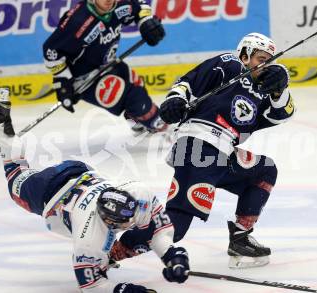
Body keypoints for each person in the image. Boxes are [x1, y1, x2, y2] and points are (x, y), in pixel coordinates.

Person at [113, 33, 295, 269]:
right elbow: (188, 82)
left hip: (222, 152)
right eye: (261, 58)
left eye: (270, 61)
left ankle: (240, 238)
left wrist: (280, 88)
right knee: (174, 227)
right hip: (198, 146)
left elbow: (283, 113)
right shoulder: (230, 64)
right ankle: (110, 254)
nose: (266, 65)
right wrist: (174, 101)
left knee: (265, 170)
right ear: (245, 55)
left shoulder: (263, 92)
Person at [0, 88, 190, 292]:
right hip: (48, 190)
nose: (131, 222)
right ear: (109, 221)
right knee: (15, 176)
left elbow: (159, 229)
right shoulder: (88, 237)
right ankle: (2, 119)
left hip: (79, 174)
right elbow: (91, 287)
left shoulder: (138, 194)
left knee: (142, 233)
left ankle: (105, 259)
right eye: (125, 222)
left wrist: (173, 255)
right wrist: (125, 290)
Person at [43, 0, 166, 134]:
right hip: (86, 79)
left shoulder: (120, 5)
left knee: (137, 85)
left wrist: (146, 22)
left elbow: (141, 7)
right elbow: (51, 51)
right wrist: (63, 81)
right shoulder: (78, 21)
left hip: (108, 63)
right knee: (135, 98)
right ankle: (158, 124)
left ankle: (136, 119)